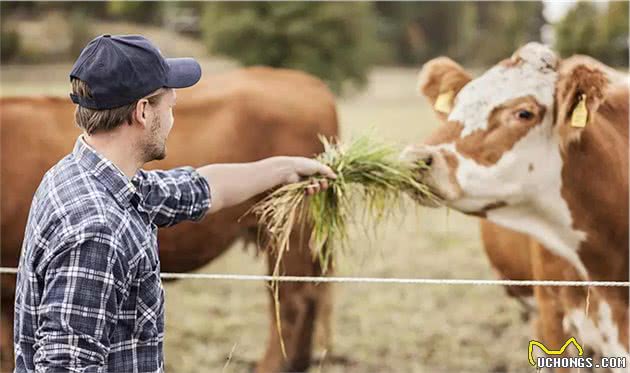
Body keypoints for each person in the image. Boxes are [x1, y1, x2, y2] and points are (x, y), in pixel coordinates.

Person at [13, 34, 335, 372]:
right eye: (170, 105)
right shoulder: (96, 231)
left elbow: (200, 188)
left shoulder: (86, 177)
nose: (172, 117)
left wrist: (283, 169)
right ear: (141, 112)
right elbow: (66, 366)